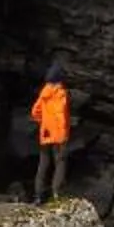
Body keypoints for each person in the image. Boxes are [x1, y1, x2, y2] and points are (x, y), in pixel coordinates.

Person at [30, 64, 72, 201]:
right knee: (60, 162)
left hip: (45, 132)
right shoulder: (60, 93)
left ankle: (38, 195)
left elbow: (35, 112)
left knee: (43, 163)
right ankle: (56, 193)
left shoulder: (44, 93)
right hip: (58, 134)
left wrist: (44, 122)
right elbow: (60, 114)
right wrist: (63, 134)